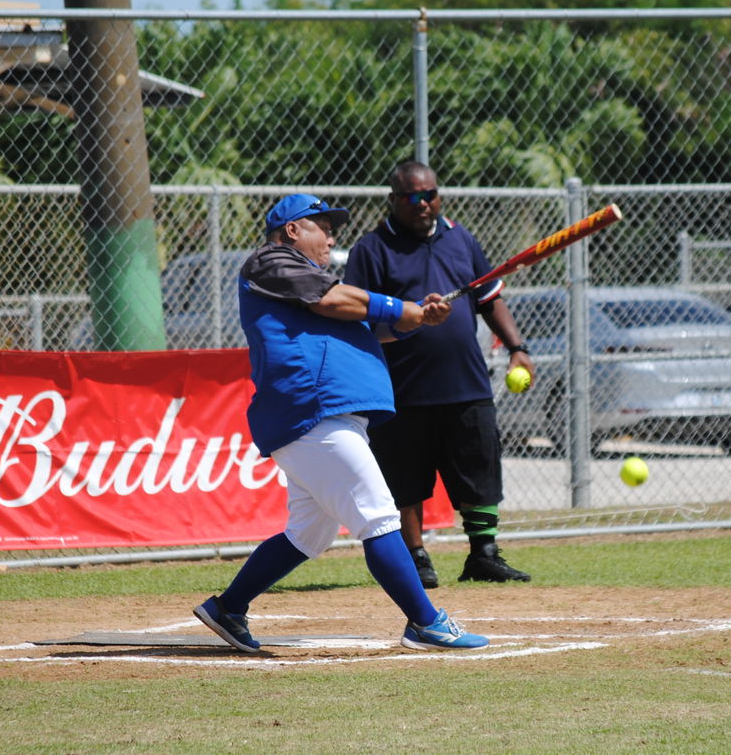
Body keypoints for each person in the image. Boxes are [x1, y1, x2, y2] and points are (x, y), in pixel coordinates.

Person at [193, 193, 487, 652]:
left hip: (321, 417)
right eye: (322, 226)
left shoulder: (306, 285)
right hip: (313, 414)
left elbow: (371, 326)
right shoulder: (271, 261)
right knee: (378, 515)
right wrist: (399, 307)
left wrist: (416, 318)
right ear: (292, 230)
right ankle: (426, 622)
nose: (331, 236)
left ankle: (228, 608)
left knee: (308, 533)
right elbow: (334, 300)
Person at [343, 161, 534, 588]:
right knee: (406, 480)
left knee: (479, 468)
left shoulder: (460, 238)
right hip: (400, 389)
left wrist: (519, 350)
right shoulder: (371, 250)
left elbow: (489, 299)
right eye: (413, 196)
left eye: (430, 194)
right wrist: (410, 318)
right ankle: (416, 558)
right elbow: (354, 316)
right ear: (393, 200)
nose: (423, 204)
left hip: (465, 382)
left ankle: (483, 554)